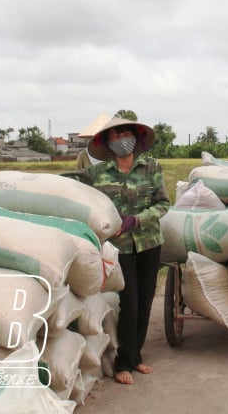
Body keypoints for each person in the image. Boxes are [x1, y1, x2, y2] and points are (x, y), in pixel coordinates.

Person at [69, 117, 170, 385]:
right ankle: (122, 363)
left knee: (146, 301)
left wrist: (136, 219)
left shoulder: (152, 166)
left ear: (136, 137)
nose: (122, 138)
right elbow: (75, 191)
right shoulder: (98, 174)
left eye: (126, 133)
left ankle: (135, 356)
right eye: (115, 135)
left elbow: (163, 204)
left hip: (149, 242)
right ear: (106, 142)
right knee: (130, 302)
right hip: (119, 247)